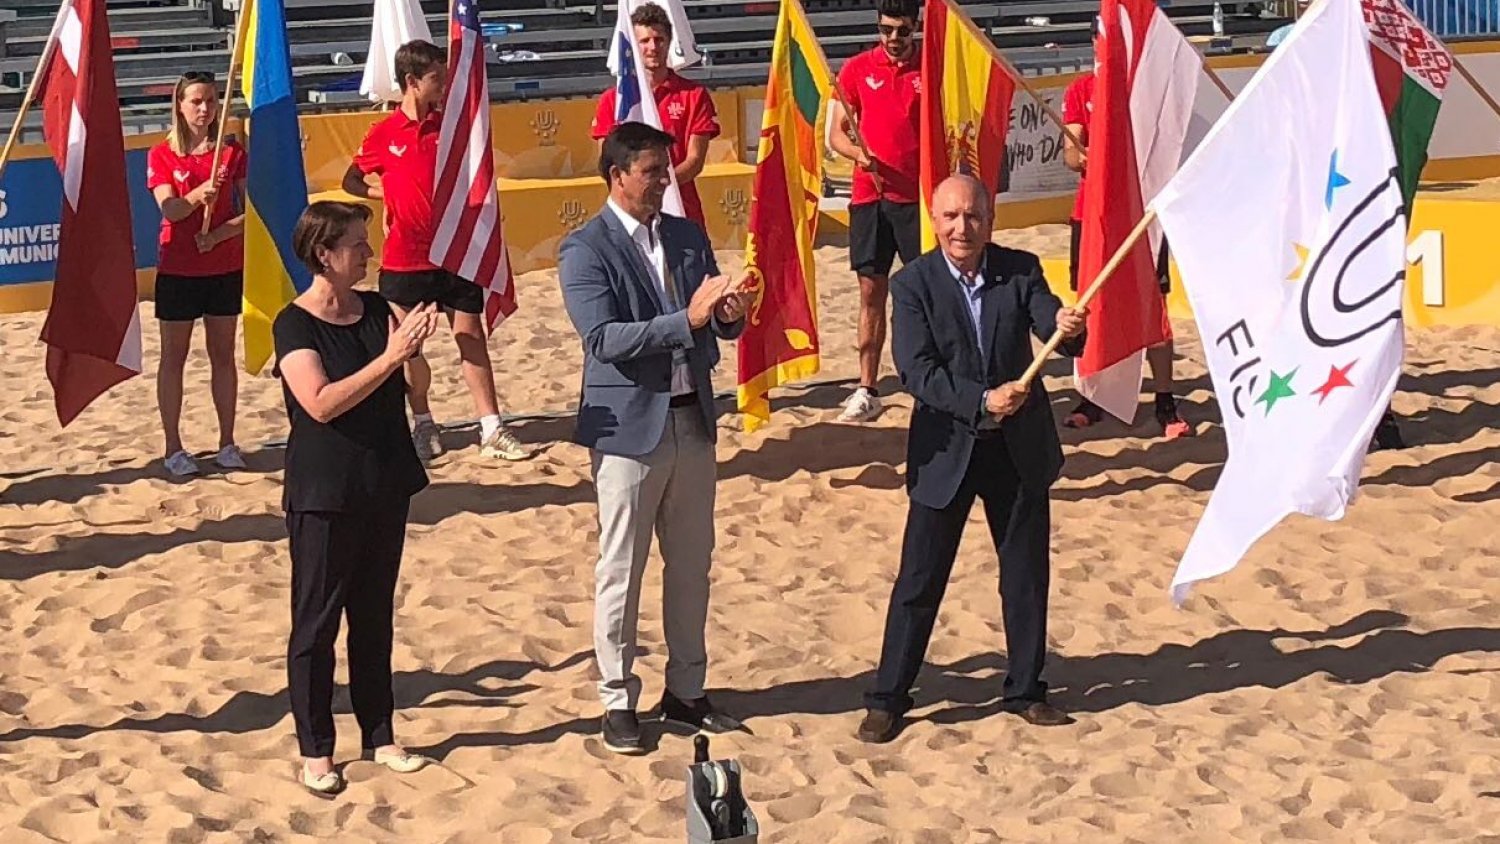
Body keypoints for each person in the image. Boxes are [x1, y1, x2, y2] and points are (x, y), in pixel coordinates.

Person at [857, 176, 1087, 744]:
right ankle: (889, 697)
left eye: (975, 217)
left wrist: (1068, 327)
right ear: (935, 220)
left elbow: (1056, 330)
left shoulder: (1022, 268)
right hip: (949, 448)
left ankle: (1027, 690)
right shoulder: (913, 284)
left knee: (1026, 576)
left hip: (1019, 447)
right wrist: (981, 401)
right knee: (919, 579)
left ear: (991, 219)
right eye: (952, 217)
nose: (964, 228)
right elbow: (918, 371)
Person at [558, 123, 753, 755]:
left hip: (691, 414)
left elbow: (715, 325)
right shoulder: (584, 249)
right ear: (617, 175)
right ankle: (617, 697)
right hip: (628, 427)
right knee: (622, 567)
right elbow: (603, 340)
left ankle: (687, 690)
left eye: (664, 168)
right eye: (651, 170)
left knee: (692, 562)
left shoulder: (687, 235)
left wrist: (729, 312)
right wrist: (686, 320)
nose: (665, 179)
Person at [273, 201, 440, 796]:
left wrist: (412, 355)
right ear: (325, 253)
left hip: (383, 479)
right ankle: (316, 749)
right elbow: (319, 402)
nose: (367, 253)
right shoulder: (294, 324)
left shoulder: (375, 309)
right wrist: (390, 358)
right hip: (324, 489)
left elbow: (414, 386)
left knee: (373, 615)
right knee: (316, 624)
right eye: (356, 244)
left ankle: (380, 733)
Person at [342, 39, 530, 463]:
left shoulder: (453, 127)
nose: (443, 85)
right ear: (411, 82)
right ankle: (424, 422)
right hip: (405, 256)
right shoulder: (384, 133)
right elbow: (351, 180)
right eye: (436, 79)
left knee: (470, 336)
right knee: (410, 346)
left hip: (455, 251)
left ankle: (491, 426)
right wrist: (384, 192)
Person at [1061, 59, 1193, 439]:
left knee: (1154, 307)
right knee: (1088, 304)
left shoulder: (1145, 92)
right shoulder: (1081, 89)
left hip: (1141, 215)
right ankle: (1093, 396)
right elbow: (1072, 152)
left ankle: (1164, 398)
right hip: (1092, 215)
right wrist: (1087, 158)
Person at [146, 71, 248, 476]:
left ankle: (227, 441)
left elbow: (251, 210)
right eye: (196, 101)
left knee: (222, 355)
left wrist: (220, 233)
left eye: (210, 101)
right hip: (178, 269)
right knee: (175, 357)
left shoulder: (231, 152)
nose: (204, 109)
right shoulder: (162, 154)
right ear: (180, 105)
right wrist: (196, 195)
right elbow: (169, 209)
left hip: (223, 266)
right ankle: (173, 446)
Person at [829, 0, 924, 424]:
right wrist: (859, 155)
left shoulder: (933, 67)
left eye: (901, 31)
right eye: (886, 30)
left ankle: (926, 383)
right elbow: (836, 135)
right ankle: (867, 387)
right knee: (871, 292)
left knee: (924, 294)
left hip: (918, 200)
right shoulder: (855, 69)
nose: (893, 39)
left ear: (915, 28)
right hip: (870, 197)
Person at [591, 3, 721, 230]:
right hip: (628, 217)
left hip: (682, 212)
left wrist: (657, 186)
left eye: (659, 39)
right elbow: (606, 161)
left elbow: (694, 161)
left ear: (669, 42)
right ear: (632, 45)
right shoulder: (612, 101)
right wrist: (640, 192)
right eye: (644, 41)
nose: (652, 47)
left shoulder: (694, 95)